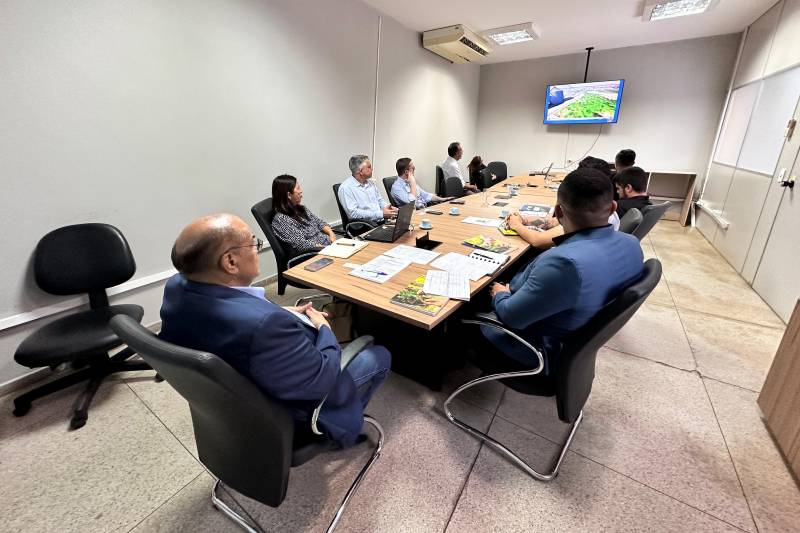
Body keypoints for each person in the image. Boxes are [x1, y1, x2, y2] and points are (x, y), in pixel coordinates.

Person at [159, 213, 391, 448]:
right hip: (291, 408)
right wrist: (325, 329)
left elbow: (234, 314)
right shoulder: (266, 326)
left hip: (238, 400)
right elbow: (322, 379)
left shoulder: (177, 287)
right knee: (379, 355)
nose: (257, 249)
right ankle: (337, 427)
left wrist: (284, 311)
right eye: (253, 243)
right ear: (230, 262)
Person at [483, 167, 644, 370]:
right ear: (613, 207)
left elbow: (511, 317)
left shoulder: (564, 264)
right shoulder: (632, 244)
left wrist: (500, 294)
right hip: (575, 333)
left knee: (470, 302)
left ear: (559, 212)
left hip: (537, 348)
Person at [270, 174, 336, 256]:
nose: (301, 191)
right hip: (314, 254)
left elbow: (320, 223)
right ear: (289, 195)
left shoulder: (301, 209)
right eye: (298, 188)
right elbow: (302, 245)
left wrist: (331, 234)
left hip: (329, 247)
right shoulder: (281, 219)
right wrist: (328, 249)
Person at [338, 154, 398, 223]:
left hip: (380, 220)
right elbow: (354, 214)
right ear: (360, 171)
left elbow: (379, 200)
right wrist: (381, 214)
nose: (372, 169)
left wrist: (390, 209)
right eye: (369, 167)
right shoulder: (346, 188)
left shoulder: (371, 183)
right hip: (364, 225)